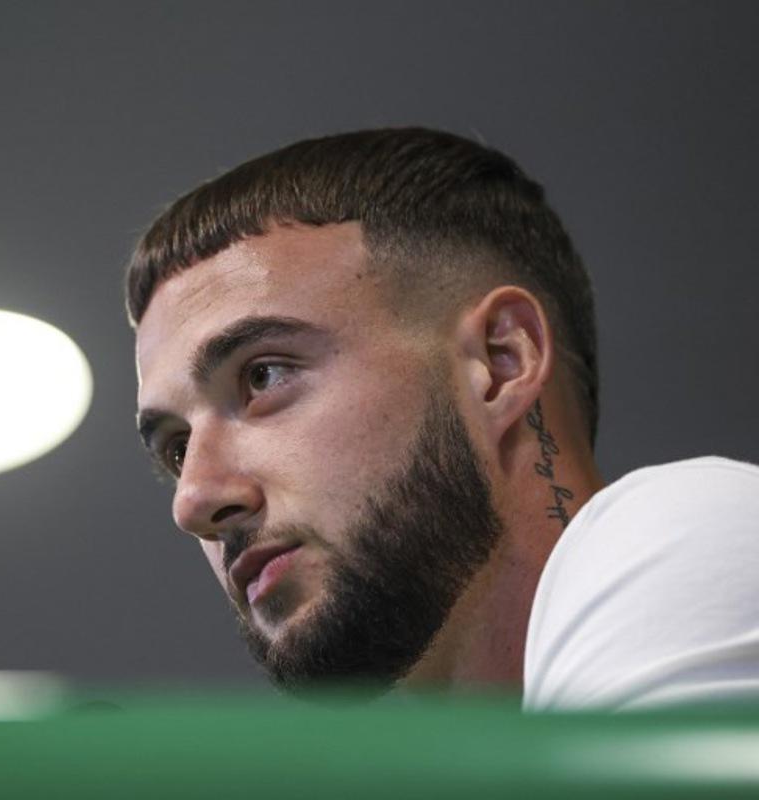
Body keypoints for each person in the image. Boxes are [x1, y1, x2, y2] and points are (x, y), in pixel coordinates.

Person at [127, 128, 759, 710]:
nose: (194, 502)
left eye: (263, 375)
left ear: (501, 361)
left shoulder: (687, 527)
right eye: (177, 449)